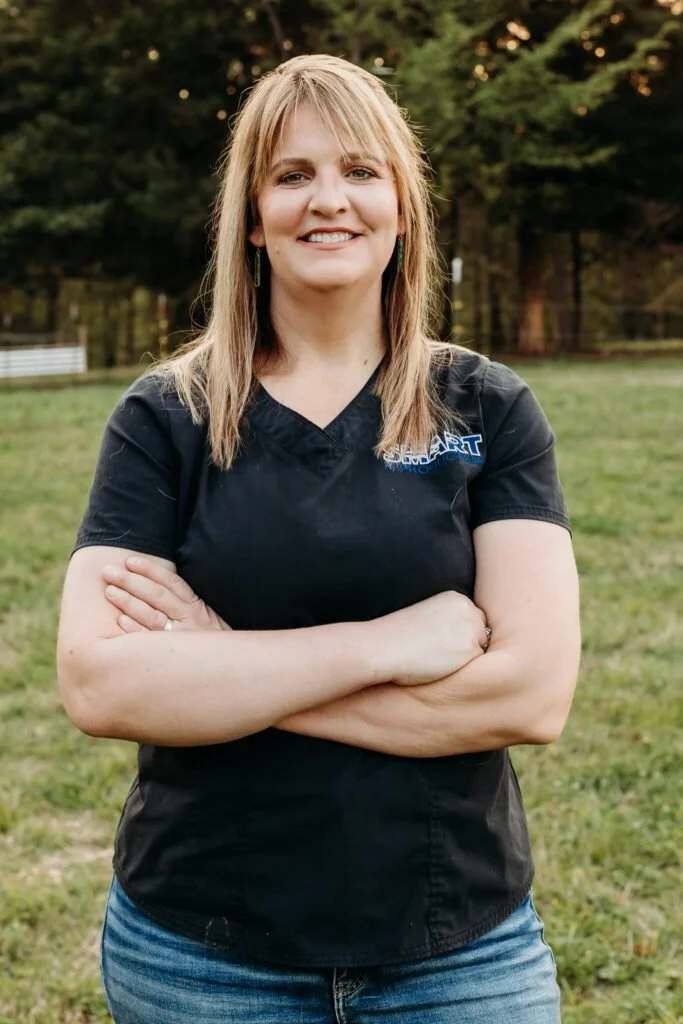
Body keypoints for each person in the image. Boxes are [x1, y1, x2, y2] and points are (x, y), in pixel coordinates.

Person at [56, 53, 581, 1024]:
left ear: (401, 207)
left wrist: (220, 671)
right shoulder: (165, 416)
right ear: (251, 218)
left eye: (359, 171)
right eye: (291, 175)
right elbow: (98, 681)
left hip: (455, 952)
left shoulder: (487, 407)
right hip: (202, 960)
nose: (326, 200)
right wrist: (386, 647)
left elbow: (530, 692)